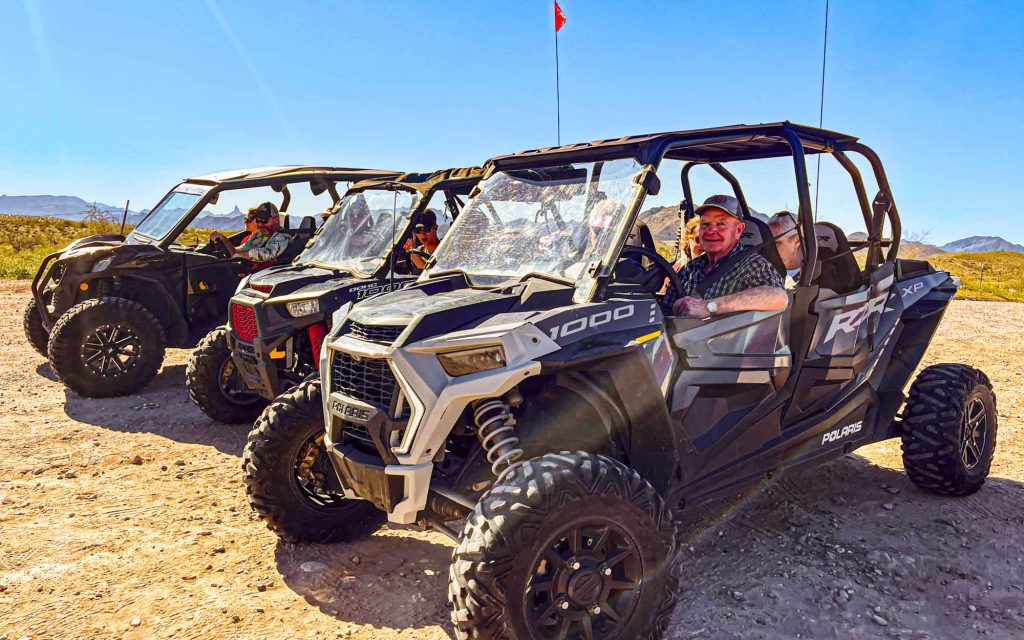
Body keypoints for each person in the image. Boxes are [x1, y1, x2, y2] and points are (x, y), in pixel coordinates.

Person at [663, 194, 788, 318]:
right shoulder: (690, 268)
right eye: (705, 224)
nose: (710, 231)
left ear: (739, 230)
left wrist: (708, 307)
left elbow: (778, 297)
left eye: (721, 224)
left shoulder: (752, 265)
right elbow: (665, 309)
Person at [209, 202, 288, 264]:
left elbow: (268, 253)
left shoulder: (282, 237)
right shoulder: (259, 235)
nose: (260, 225)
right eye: (257, 221)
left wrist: (244, 255)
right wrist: (223, 239)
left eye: (264, 221)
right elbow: (237, 252)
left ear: (276, 220)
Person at [768, 211, 803, 288]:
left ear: (796, 241)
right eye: (765, 243)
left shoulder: (810, 279)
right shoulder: (762, 270)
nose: (768, 248)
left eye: (775, 243)